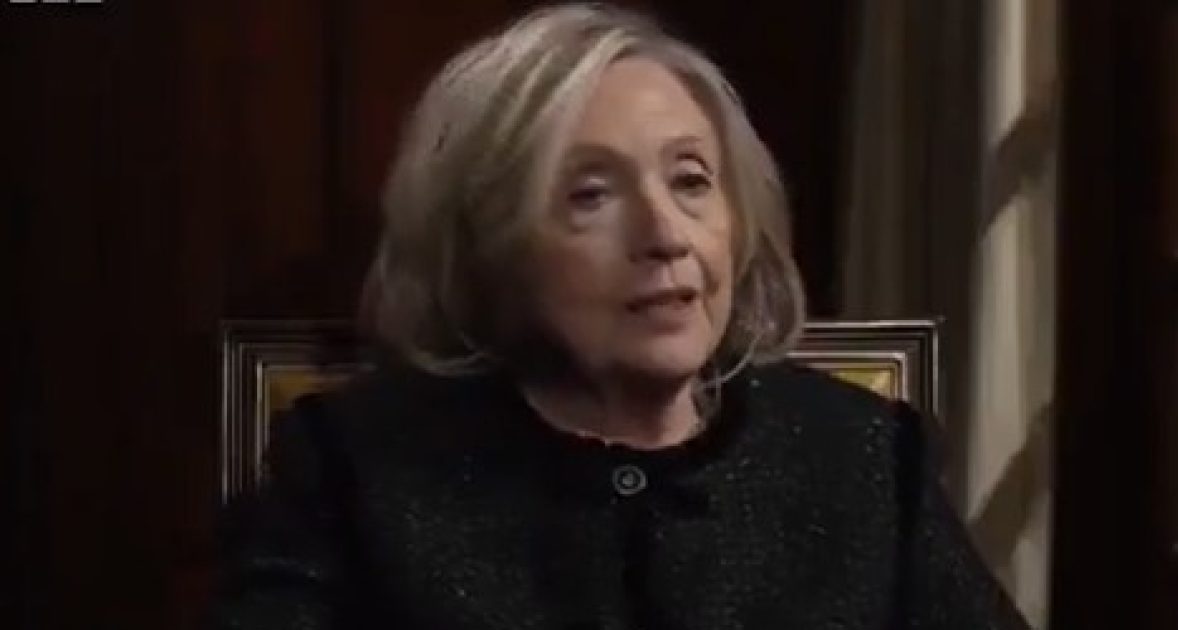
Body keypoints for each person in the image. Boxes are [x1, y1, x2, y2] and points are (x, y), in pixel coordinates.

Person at [210, 4, 1031, 629]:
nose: (666, 235)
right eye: (590, 196)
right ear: (489, 243)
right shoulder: (354, 468)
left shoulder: (863, 457)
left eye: (692, 181)